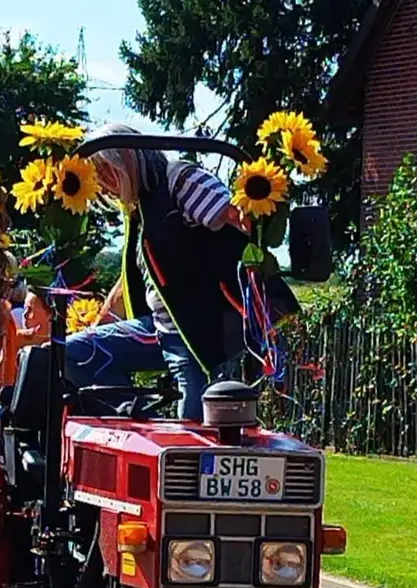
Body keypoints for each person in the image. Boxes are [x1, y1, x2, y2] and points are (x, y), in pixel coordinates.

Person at [63, 123, 299, 421]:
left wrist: (257, 206)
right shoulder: (141, 212)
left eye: (109, 171)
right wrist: (100, 322)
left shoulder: (179, 179)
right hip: (158, 330)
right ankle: (128, 420)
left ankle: (180, 449)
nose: (106, 184)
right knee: (75, 351)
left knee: (192, 425)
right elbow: (133, 282)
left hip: (197, 331)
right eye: (98, 176)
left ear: (129, 159)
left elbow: (233, 214)